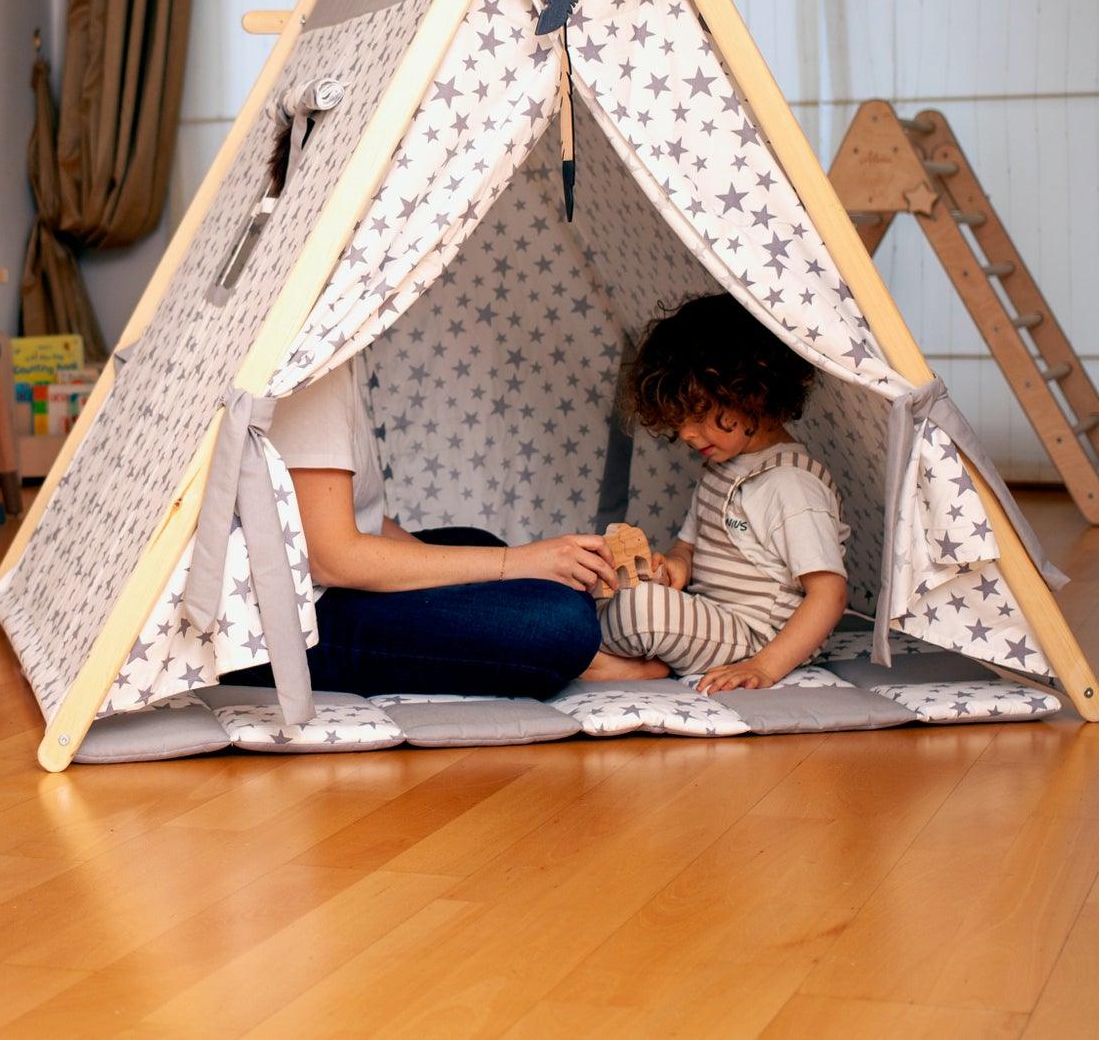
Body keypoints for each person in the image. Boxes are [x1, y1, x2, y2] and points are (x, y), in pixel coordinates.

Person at [223, 111, 617, 700]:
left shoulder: (326, 319)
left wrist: (507, 567)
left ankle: (539, 616)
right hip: (286, 627)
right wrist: (520, 568)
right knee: (555, 620)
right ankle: (584, 658)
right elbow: (333, 558)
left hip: (313, 583)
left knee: (476, 542)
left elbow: (347, 516)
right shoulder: (303, 347)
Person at [593, 293, 849, 693]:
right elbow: (687, 548)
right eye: (680, 421)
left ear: (754, 392)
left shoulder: (792, 485)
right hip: (715, 617)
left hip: (757, 636)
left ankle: (588, 656)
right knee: (604, 579)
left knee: (640, 609)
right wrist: (674, 567)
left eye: (697, 415)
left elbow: (829, 594)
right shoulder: (721, 467)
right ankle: (610, 653)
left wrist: (764, 666)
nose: (686, 434)